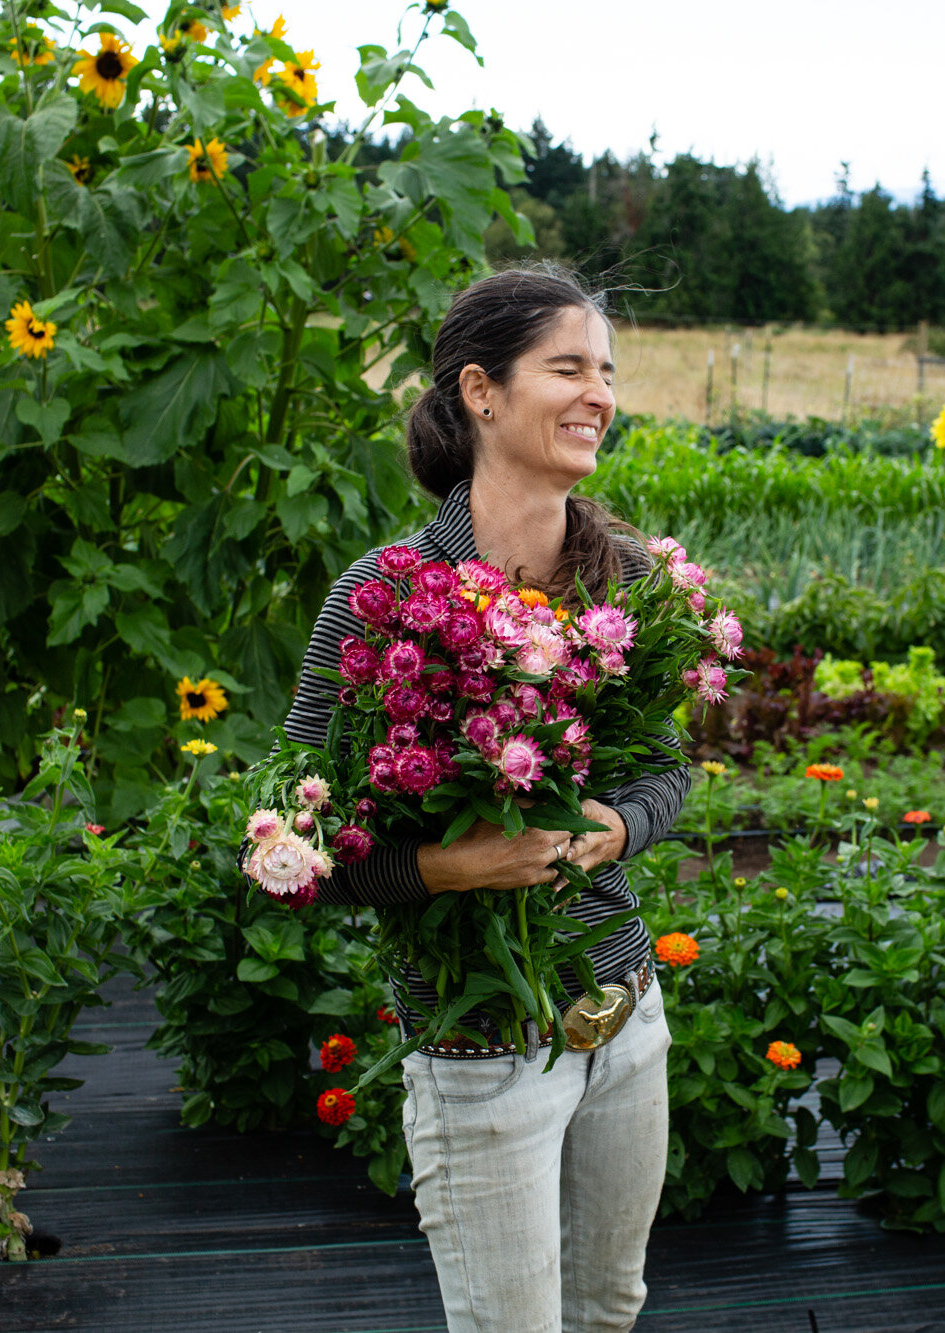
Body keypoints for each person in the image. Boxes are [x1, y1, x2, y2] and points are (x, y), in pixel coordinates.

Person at [280, 265, 691, 1333]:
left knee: (610, 1307)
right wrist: (450, 868)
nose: (599, 392)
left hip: (623, 1014)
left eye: (606, 370)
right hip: (479, 1051)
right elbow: (295, 840)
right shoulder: (379, 600)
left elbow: (667, 770)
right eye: (567, 367)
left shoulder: (628, 580)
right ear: (480, 391)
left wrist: (617, 827)